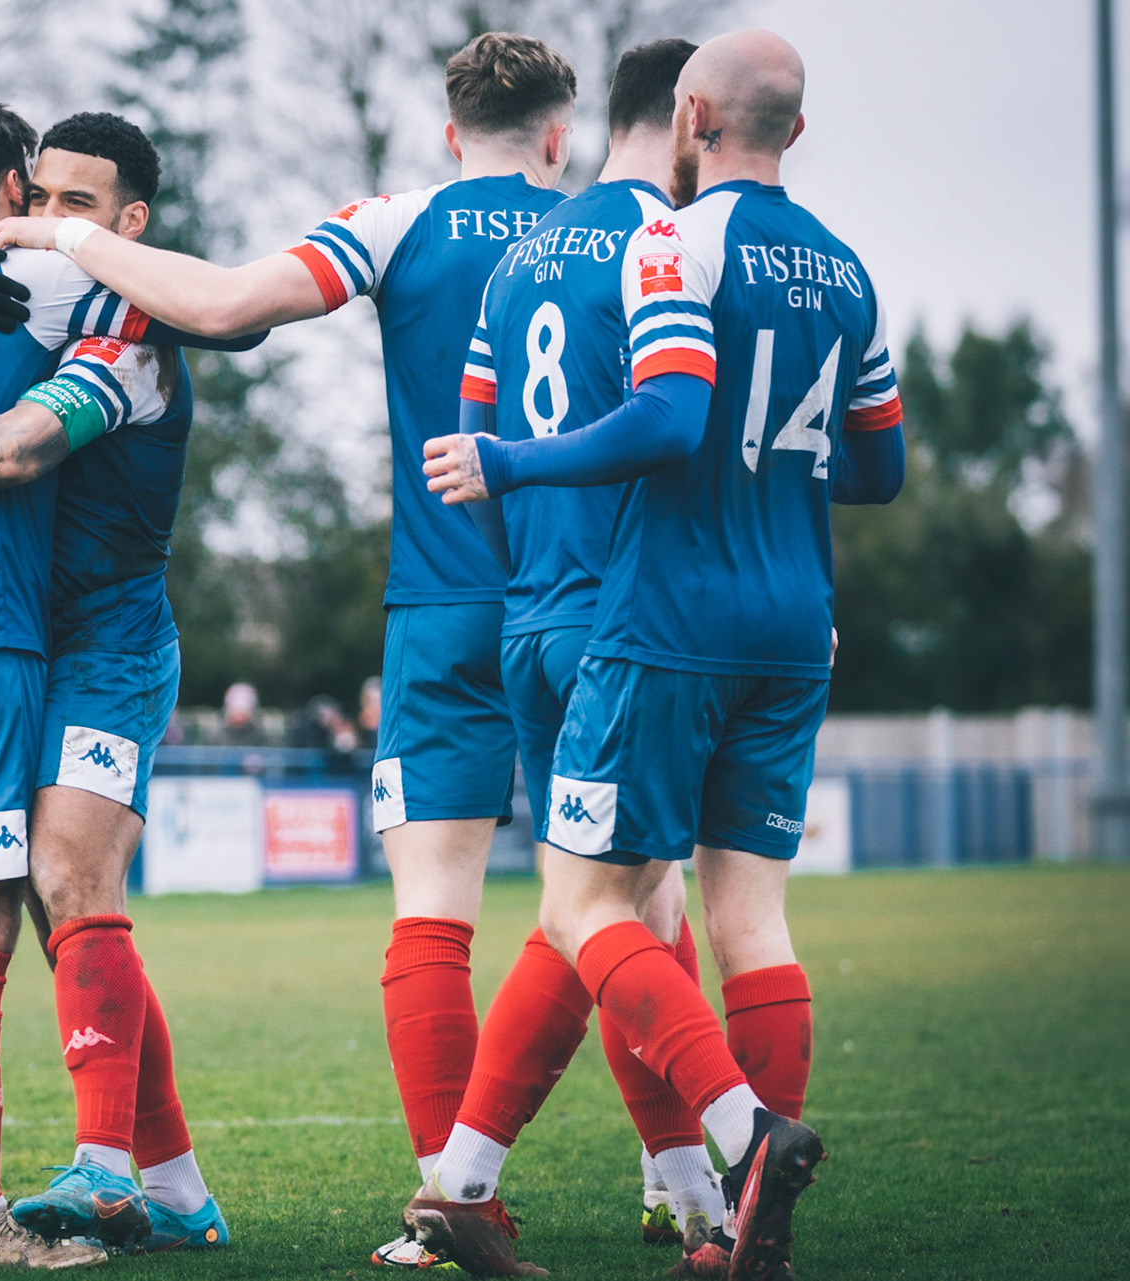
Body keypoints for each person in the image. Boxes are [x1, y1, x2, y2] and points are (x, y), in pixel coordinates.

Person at [0, 33, 577, 1269]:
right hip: (601, 605)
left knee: (433, 916)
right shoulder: (629, 233)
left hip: (442, 605)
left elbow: (231, 308)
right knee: (623, 909)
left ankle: (449, 1197)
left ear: (451, 131)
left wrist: (56, 239)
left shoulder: (401, 220)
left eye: (70, 207)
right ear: (561, 135)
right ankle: (687, 1178)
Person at [422, 29, 905, 1281]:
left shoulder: (669, 242)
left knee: (586, 904)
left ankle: (740, 1142)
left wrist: (517, 461)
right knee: (751, 919)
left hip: (663, 622)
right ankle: (719, 1229)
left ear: (693, 116)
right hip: (796, 624)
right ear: (794, 131)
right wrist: (772, 474)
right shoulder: (848, 271)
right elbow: (879, 466)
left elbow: (669, 414)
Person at [0, 97, 252, 1271]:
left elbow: (19, 442)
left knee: (62, 877)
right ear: (13, 193)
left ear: (126, 219)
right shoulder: (5, 283)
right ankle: (171, 1190)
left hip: (109, 644)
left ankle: (103, 1170)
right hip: (8, 637)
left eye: (81, 205)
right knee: (41, 906)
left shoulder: (127, 313)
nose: (52, 222)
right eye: (44, 196)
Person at [402, 39, 739, 1279]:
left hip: (530, 613)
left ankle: (679, 1196)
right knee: (612, 912)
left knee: (602, 906)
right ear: (689, 122)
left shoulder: (512, 266)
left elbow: (472, 446)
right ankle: (736, 1147)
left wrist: (534, 541)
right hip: (621, 620)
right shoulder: (660, 239)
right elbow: (672, 422)